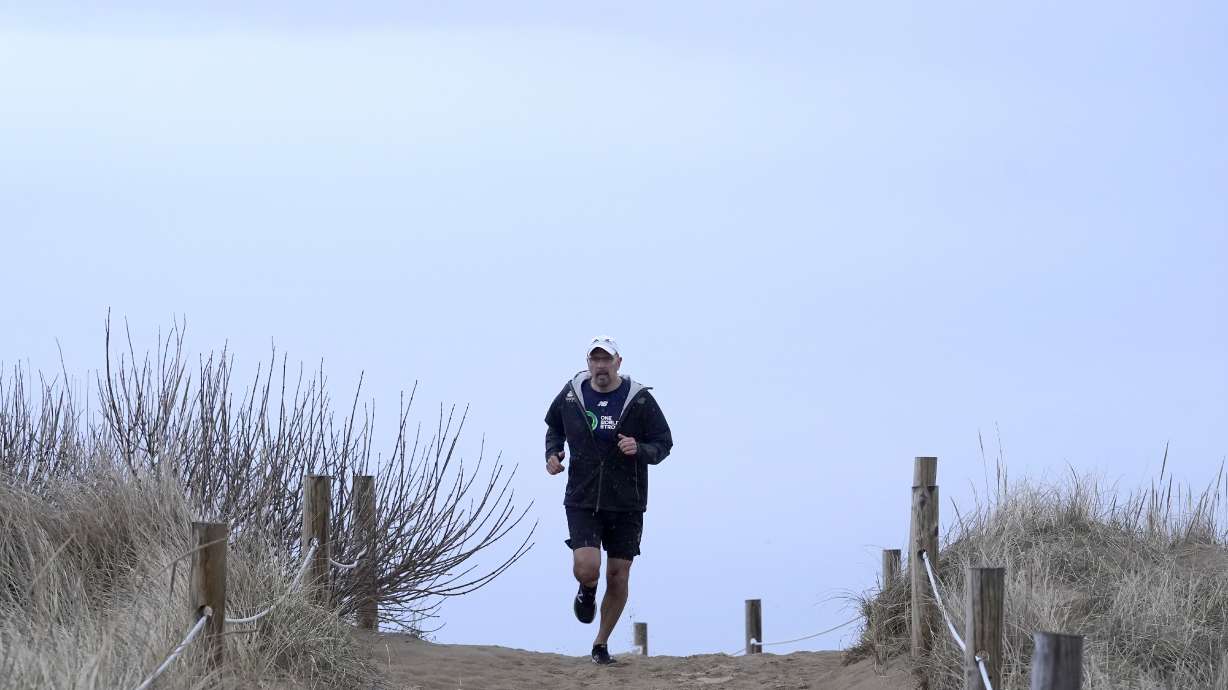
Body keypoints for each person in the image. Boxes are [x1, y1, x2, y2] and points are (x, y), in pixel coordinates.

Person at [544, 335, 673, 665]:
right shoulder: (572, 394)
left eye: (606, 360)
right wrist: (553, 453)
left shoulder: (639, 400)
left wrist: (640, 449)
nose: (600, 366)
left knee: (618, 575)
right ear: (588, 363)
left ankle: (600, 644)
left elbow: (663, 442)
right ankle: (586, 590)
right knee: (588, 568)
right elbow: (553, 427)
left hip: (627, 500)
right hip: (583, 495)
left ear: (618, 362)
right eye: (595, 360)